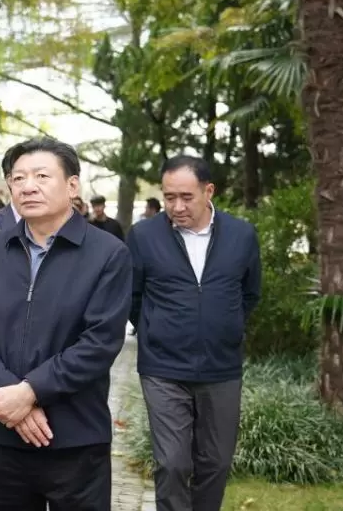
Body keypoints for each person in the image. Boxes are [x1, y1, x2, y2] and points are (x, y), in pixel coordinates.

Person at [0, 138, 132, 511]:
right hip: (2, 434)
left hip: (75, 436)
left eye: (41, 176)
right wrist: (11, 397)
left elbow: (99, 342)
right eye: (18, 178)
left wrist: (30, 392)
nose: (27, 186)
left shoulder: (108, 254)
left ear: (72, 185)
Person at [126, 156, 261, 511]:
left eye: (186, 197)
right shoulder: (144, 236)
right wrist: (156, 331)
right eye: (169, 197)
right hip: (163, 369)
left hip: (222, 367)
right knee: (172, 463)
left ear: (208, 191)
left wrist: (225, 328)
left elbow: (249, 293)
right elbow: (132, 296)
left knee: (215, 463)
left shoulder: (242, 235)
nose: (177, 207)